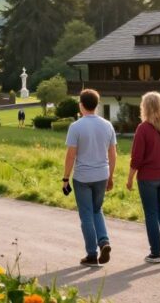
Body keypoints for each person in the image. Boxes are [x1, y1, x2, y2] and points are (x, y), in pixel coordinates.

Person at [62, 89, 117, 267]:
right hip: (102, 174)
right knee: (97, 209)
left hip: (83, 177)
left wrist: (65, 178)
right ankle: (104, 241)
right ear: (97, 104)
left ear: (81, 105)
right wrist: (111, 176)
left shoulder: (76, 127)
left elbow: (71, 156)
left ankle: (92, 254)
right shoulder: (107, 125)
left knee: (86, 215)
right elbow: (113, 154)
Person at [127, 92, 160, 264]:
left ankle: (155, 253)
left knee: (151, 213)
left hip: (148, 178)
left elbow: (137, 158)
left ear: (145, 107)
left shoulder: (143, 128)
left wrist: (129, 179)